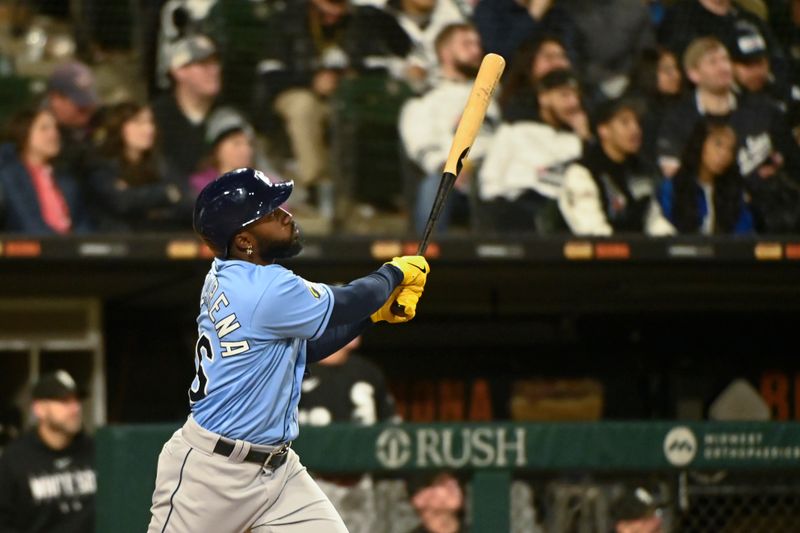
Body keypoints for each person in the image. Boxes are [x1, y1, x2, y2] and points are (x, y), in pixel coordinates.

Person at [147, 167, 430, 533]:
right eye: (269, 213)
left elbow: (305, 349)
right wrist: (392, 275)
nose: (286, 215)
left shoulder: (228, 272)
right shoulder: (263, 288)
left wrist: (372, 316)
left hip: (277, 471)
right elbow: (347, 301)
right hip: (210, 476)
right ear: (245, 241)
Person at [399, 23, 500, 235]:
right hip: (450, 181)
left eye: (477, 45)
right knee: (434, 186)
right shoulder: (426, 99)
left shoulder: (493, 98)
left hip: (491, 178)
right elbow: (422, 146)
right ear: (445, 52)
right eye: (466, 44)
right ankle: (425, 259)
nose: (476, 51)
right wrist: (450, 168)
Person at [655, 37, 795, 181]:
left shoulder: (762, 108)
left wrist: (779, 165)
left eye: (725, 59)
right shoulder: (678, 120)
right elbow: (675, 179)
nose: (723, 67)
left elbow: (792, 158)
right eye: (713, 62)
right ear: (693, 74)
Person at [479, 69, 590, 234]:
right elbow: (490, 182)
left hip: (565, 213)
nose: (573, 103)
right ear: (543, 97)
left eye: (576, 96)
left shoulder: (577, 141)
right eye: (565, 95)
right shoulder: (515, 130)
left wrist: (585, 140)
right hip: (519, 209)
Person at [559, 98, 673, 236]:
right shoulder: (582, 172)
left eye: (637, 123)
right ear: (604, 130)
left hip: (639, 251)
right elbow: (592, 230)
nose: (635, 129)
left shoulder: (639, 168)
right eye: (625, 122)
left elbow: (653, 218)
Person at [0, 370, 96, 533]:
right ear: (40, 409)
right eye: (64, 401)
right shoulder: (15, 459)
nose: (75, 408)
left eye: (76, 400)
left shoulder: (96, 451)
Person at [86, 101, 187, 231]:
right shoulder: (102, 165)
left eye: (150, 122)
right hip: (119, 241)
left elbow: (187, 204)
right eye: (138, 122)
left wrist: (137, 196)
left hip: (159, 237)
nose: (148, 129)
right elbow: (121, 202)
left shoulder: (162, 164)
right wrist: (166, 193)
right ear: (119, 127)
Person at [654, 120, 754, 235]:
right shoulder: (672, 188)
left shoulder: (735, 192)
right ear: (700, 144)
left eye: (730, 149)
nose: (724, 154)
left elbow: (744, 236)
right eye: (718, 144)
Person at [0, 107, 91, 234]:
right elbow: (28, 223)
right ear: (23, 132)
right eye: (44, 128)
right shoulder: (9, 176)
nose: (54, 134)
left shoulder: (65, 176)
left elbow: (82, 222)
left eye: (55, 128)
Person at [151, 34, 222, 186]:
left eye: (214, 62)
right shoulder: (158, 118)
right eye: (203, 64)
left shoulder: (226, 115)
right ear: (179, 71)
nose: (213, 70)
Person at [43, 61, 100, 181]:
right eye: (80, 105)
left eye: (88, 100)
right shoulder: (37, 138)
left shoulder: (97, 124)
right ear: (55, 99)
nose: (87, 108)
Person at [624, 47, 684, 161]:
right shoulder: (637, 110)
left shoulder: (678, 103)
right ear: (648, 72)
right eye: (667, 71)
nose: (676, 75)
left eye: (676, 69)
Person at [499, 35, 573, 122]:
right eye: (549, 57)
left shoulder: (578, 94)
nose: (557, 63)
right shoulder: (515, 95)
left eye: (561, 57)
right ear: (531, 61)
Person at [188, 106, 257, 196]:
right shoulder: (200, 185)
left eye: (249, 144)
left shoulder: (262, 184)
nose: (245, 150)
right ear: (217, 148)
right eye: (236, 143)